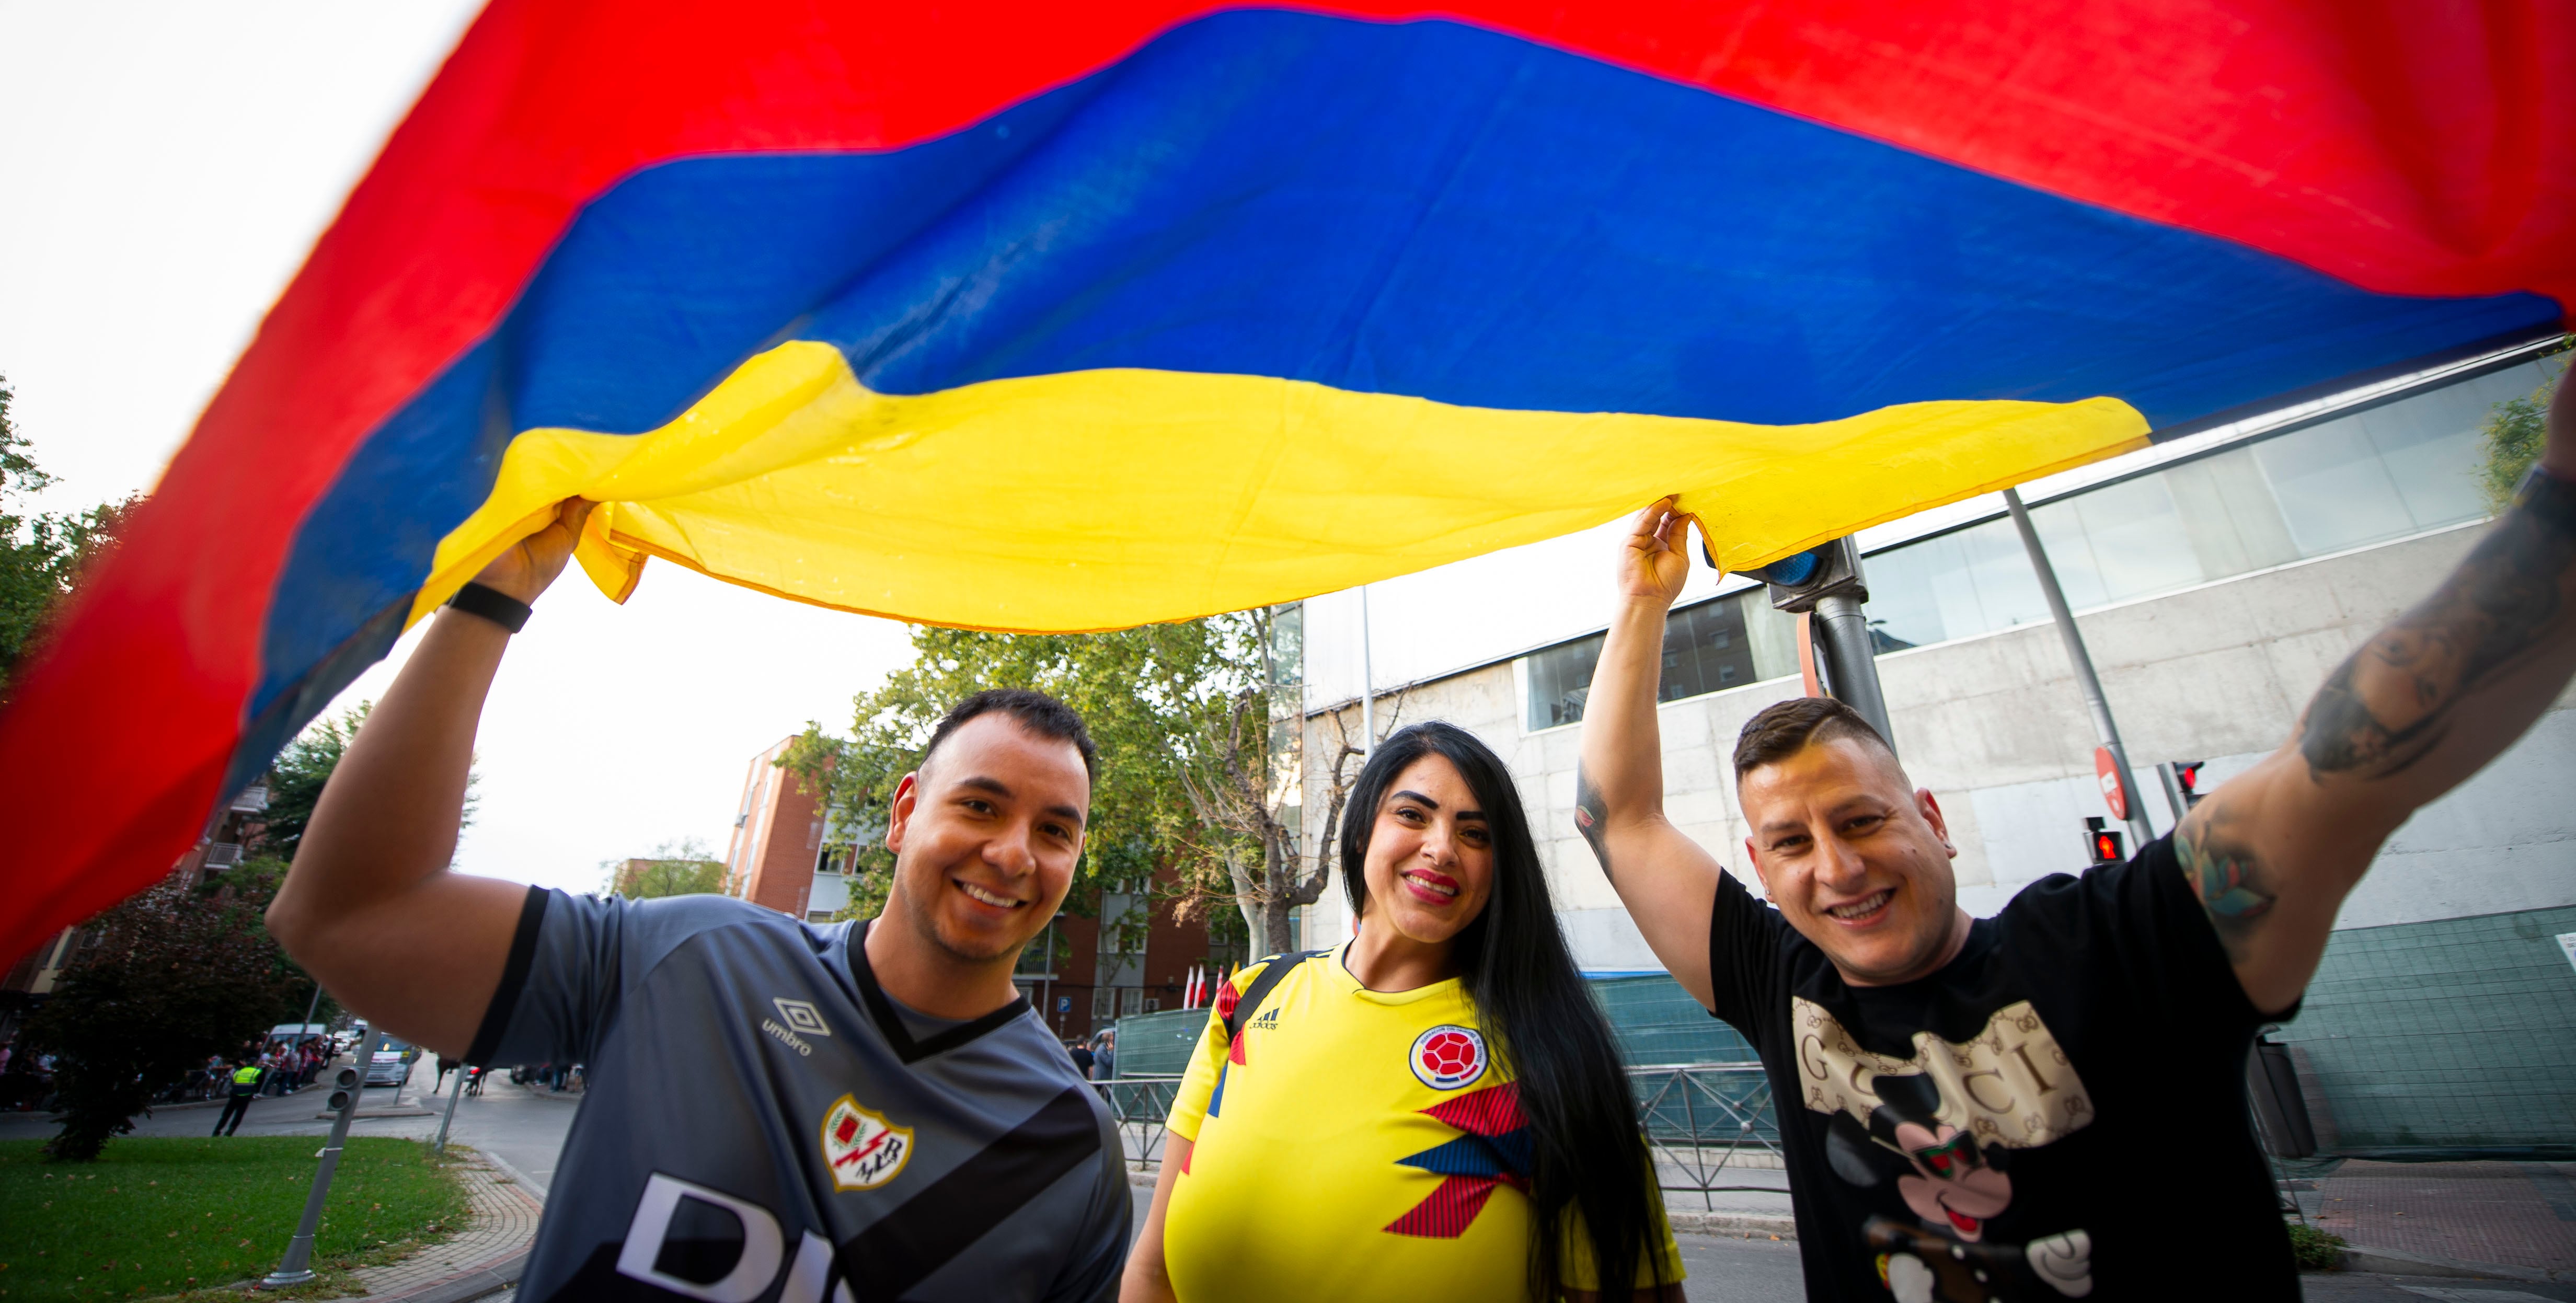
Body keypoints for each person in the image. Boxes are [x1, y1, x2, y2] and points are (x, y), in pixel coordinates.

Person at [1574, 362, 2576, 1301]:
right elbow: (1615, 816)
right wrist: (1641, 602)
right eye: (1790, 843)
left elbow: (2344, 767)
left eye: (1862, 820)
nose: (1836, 868)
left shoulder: (2123, 946)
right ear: (1759, 865)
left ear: (1931, 820)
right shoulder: (1777, 982)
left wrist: (2562, 508)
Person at [267, 499, 1131, 1303]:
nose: (1014, 853)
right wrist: (490, 601)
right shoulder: (692, 959)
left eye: (1056, 831)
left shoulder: (1070, 1148)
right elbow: (348, 916)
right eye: (979, 806)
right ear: (904, 812)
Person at [1122, 721, 1685, 1303]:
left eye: (1475, 833)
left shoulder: (1554, 1059)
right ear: (1363, 830)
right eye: (1413, 815)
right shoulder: (1251, 997)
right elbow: (1152, 1272)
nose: (1442, 848)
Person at [211, 1051, 266, 1136]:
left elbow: (233, 1081)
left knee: (226, 1114)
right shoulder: (258, 1072)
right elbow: (259, 1084)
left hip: (234, 1094)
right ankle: (231, 1131)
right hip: (246, 1095)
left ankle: (217, 1131)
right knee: (239, 1115)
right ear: (256, 1063)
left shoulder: (239, 1071)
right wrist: (253, 1092)